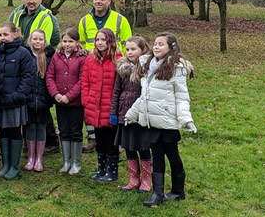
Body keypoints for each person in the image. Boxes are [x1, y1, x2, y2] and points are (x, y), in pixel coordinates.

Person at [125, 32, 197, 207]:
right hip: (152, 121)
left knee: (172, 155)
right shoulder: (147, 66)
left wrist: (186, 119)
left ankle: (178, 191)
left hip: (167, 121)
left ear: (171, 48)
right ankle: (157, 194)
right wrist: (132, 114)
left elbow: (181, 97)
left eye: (161, 44)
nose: (156, 47)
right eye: (155, 44)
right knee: (156, 156)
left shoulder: (176, 68)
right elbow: (144, 97)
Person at [78, 0, 132, 154]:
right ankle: (93, 138)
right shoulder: (85, 21)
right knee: (93, 102)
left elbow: (128, 42)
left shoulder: (120, 20)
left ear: (109, 1)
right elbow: (81, 43)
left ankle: (117, 139)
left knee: (113, 102)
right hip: (92, 65)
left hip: (114, 67)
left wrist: (124, 64)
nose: (98, 1)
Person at [8, 0, 61, 153]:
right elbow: (10, 32)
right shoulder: (16, 13)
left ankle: (51, 142)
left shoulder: (46, 16)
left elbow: (50, 38)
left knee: (41, 104)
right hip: (19, 58)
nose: (31, 1)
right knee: (27, 103)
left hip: (39, 59)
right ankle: (29, 141)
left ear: (40, 0)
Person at [0, 22, 35, 181]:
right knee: (3, 131)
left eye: (6, 35)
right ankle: (5, 165)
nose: (2, 38)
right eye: (0, 35)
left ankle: (14, 167)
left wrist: (16, 96)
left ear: (15, 34)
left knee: (14, 131)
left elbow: (27, 78)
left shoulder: (23, 53)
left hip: (15, 101)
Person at [110, 36, 152, 192]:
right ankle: (133, 178)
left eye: (133, 49)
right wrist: (114, 113)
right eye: (127, 49)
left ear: (143, 49)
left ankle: (147, 180)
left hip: (141, 114)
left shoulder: (148, 68)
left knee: (143, 147)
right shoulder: (122, 68)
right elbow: (116, 91)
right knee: (129, 147)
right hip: (124, 111)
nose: (130, 52)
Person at [46, 28, 88, 176]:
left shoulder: (82, 58)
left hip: (75, 103)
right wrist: (56, 94)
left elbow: (83, 80)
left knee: (75, 132)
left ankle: (76, 163)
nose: (67, 44)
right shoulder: (57, 57)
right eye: (65, 41)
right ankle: (66, 162)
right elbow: (50, 76)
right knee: (63, 131)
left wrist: (69, 96)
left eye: (71, 41)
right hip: (60, 102)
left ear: (77, 42)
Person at [81, 28, 122, 182]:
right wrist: (86, 100)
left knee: (110, 140)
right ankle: (101, 168)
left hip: (109, 107)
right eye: (97, 39)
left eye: (103, 40)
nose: (99, 43)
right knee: (99, 139)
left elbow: (120, 86)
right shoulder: (90, 59)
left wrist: (115, 107)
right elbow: (85, 81)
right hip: (94, 106)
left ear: (110, 41)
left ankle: (112, 171)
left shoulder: (117, 60)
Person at [24, 30, 56, 172]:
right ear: (30, 40)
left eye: (40, 39)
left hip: (43, 98)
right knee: (30, 126)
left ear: (45, 41)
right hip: (29, 98)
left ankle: (39, 159)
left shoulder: (50, 56)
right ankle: (31, 157)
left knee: (41, 126)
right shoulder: (25, 55)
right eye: (35, 39)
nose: (37, 42)